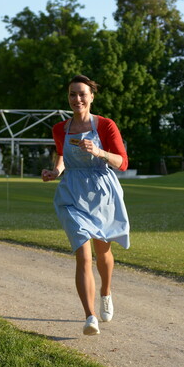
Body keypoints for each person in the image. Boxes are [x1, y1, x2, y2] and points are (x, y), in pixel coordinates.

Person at [41, 75, 130, 335]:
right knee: (83, 255)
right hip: (72, 193)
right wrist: (55, 173)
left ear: (91, 97)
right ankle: (89, 316)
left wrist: (99, 151)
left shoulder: (105, 125)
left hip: (101, 194)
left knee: (103, 253)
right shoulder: (60, 129)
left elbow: (122, 162)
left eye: (82, 94)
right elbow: (62, 157)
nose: (77, 99)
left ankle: (106, 292)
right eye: (72, 94)